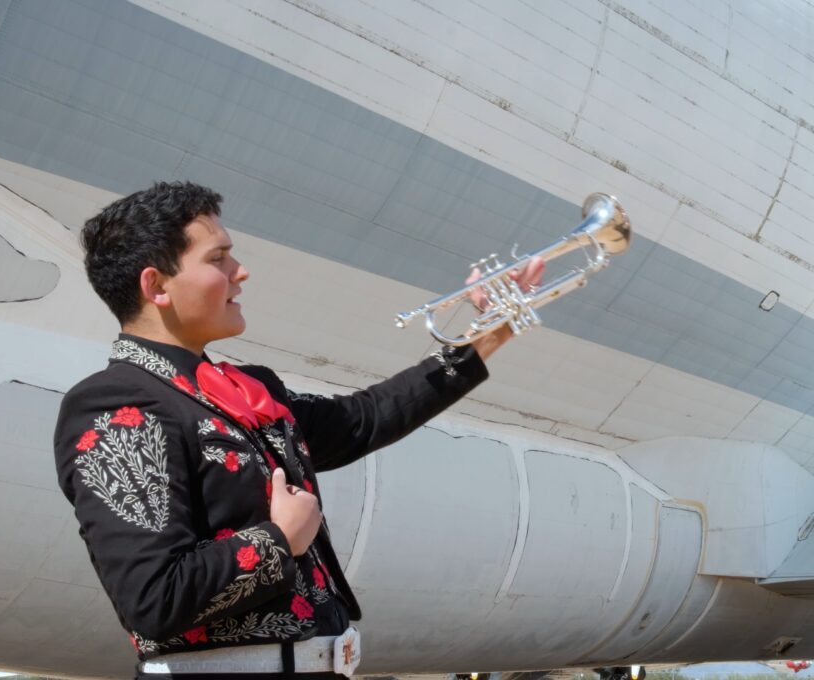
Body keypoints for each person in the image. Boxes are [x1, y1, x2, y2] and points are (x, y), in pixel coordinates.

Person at [52, 182, 543, 679]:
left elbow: (364, 419)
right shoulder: (116, 405)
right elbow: (154, 599)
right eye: (218, 258)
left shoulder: (246, 388)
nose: (240, 272)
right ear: (157, 286)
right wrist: (280, 539)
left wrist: (491, 331)